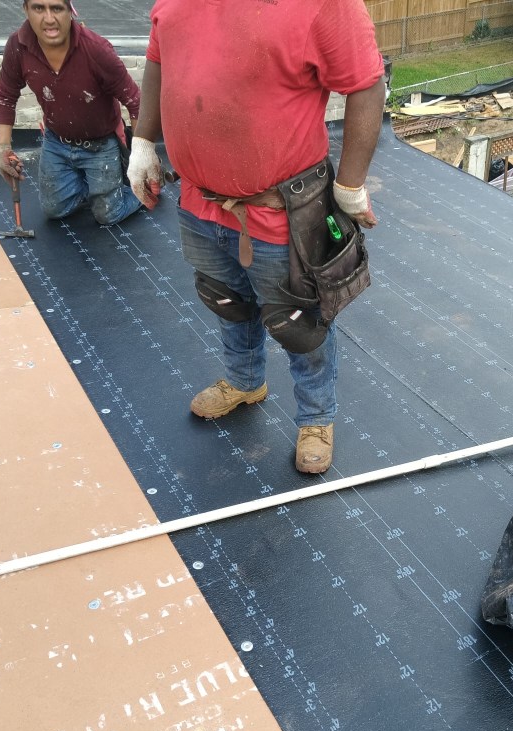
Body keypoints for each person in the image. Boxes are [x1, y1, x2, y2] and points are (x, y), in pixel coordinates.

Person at [127, 0, 385, 474]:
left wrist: (349, 185)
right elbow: (159, 60)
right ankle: (245, 382)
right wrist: (143, 141)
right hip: (201, 201)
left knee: (299, 319)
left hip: (280, 210)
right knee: (227, 299)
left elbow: (366, 83)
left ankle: (316, 416)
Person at [0, 0, 143, 226]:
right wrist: (2, 150)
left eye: (57, 8)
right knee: (55, 210)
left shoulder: (95, 49)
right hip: (57, 142)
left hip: (100, 144)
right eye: (38, 8)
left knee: (108, 215)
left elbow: (135, 101)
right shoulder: (18, 46)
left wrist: (142, 157)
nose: (49, 19)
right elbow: (5, 95)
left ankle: (139, 191)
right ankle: (93, 185)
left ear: (70, 11)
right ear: (25, 10)